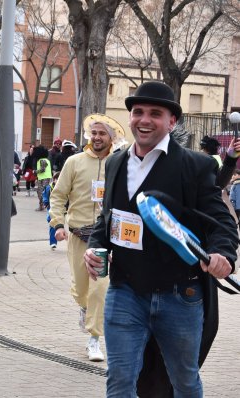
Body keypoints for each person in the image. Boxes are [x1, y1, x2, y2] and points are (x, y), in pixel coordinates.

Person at [84, 81, 237, 397]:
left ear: (172, 121)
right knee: (120, 381)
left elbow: (221, 221)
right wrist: (94, 248)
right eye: (138, 112)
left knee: (183, 381)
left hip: (180, 294)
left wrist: (223, 254)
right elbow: (107, 220)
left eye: (155, 113)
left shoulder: (194, 165)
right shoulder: (115, 162)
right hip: (125, 291)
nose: (144, 119)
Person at [49, 113, 124, 362]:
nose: (97, 137)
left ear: (111, 138)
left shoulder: (120, 162)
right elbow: (58, 195)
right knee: (81, 289)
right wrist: (58, 223)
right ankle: (84, 308)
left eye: (102, 133)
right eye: (94, 133)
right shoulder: (74, 162)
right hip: (78, 235)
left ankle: (94, 339)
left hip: (104, 238)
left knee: (99, 288)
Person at [33, 146, 51, 211]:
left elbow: (42, 169)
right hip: (42, 178)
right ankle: (42, 205)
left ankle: (43, 205)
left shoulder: (43, 160)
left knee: (41, 192)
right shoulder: (42, 160)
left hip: (45, 178)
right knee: (40, 192)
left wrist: (35, 171)